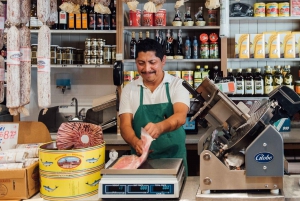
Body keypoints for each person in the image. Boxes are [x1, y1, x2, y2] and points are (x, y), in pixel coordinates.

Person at [119, 38, 190, 175]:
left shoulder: (177, 85)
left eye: (152, 62)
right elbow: (125, 126)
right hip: (142, 161)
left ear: (163, 61)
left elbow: (180, 116)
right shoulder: (130, 89)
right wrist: (135, 142)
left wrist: (159, 127)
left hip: (174, 158)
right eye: (141, 63)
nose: (146, 69)